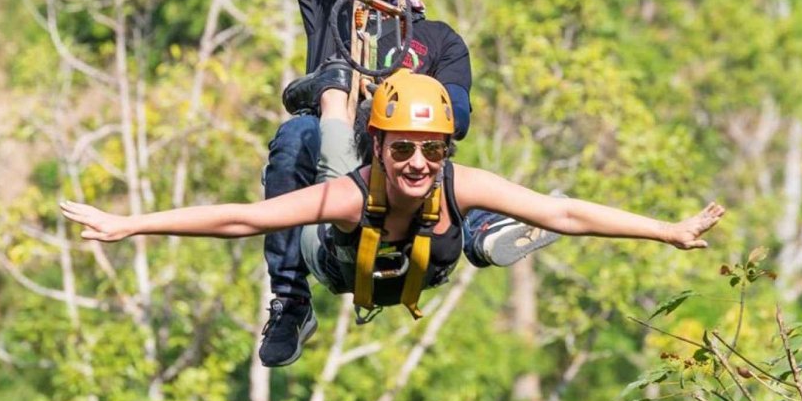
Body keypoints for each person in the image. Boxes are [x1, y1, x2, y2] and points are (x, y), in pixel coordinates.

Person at [61, 72, 724, 330]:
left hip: (427, 265)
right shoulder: (350, 194)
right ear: (381, 146)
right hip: (341, 262)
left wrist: (668, 230)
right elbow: (244, 218)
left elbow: (566, 212)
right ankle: (333, 92)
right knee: (324, 136)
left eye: (431, 151)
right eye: (403, 148)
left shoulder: (451, 179)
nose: (417, 163)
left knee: (509, 209)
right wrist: (129, 224)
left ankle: (484, 235)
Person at [259, 0, 555, 366]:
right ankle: (290, 300)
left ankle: (480, 231)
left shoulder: (438, 41)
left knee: (425, 142)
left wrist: (397, 98)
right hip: (344, 210)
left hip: (417, 215)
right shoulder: (335, 11)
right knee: (296, 134)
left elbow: (458, 118)